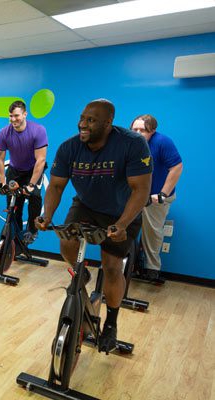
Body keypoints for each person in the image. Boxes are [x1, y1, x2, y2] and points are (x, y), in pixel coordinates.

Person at [36, 99, 152, 352]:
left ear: (108, 123)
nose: (83, 124)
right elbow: (56, 185)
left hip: (123, 211)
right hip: (87, 205)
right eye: (82, 118)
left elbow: (141, 190)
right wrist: (46, 215)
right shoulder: (69, 147)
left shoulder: (132, 144)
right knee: (66, 239)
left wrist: (122, 224)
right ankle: (82, 272)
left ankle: (111, 323)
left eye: (91, 120)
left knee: (111, 267)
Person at [130, 114, 183, 281]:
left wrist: (162, 194)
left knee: (152, 232)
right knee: (125, 226)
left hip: (157, 196)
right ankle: (130, 263)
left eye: (142, 130)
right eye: (135, 129)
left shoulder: (162, 142)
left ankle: (152, 269)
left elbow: (176, 167)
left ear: (152, 131)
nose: (138, 133)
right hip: (136, 194)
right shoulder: (130, 143)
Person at [0, 100, 48, 244]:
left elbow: (41, 160)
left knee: (35, 196)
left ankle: (32, 230)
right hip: (14, 170)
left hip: (33, 169)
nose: (13, 119)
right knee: (13, 205)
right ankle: (16, 237)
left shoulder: (38, 130)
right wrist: (3, 182)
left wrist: (31, 185)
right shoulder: (4, 133)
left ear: (25, 114)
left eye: (16, 116)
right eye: (10, 116)